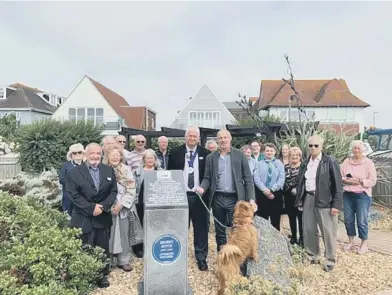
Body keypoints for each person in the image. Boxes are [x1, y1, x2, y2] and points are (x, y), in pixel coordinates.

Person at [65, 143, 118, 287]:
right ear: (85, 155)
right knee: (84, 247)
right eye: (92, 153)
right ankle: (84, 277)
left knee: (102, 248)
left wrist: (104, 207)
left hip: (102, 217)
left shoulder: (108, 170)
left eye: (98, 153)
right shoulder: (74, 173)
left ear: (102, 155)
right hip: (83, 217)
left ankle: (101, 275)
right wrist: (90, 208)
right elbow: (73, 195)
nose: (95, 156)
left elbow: (113, 191)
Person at [196, 129, 257, 253]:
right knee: (220, 231)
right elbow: (207, 178)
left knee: (237, 230)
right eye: (220, 138)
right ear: (217, 140)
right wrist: (202, 188)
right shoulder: (211, 157)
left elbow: (248, 178)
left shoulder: (240, 155)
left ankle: (238, 260)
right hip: (217, 197)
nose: (223, 140)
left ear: (230, 139)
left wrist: (251, 199)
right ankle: (222, 258)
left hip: (235, 199)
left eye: (225, 137)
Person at [295, 135, 343, 272]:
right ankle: (312, 256)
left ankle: (330, 259)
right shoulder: (305, 163)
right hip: (308, 198)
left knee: (328, 231)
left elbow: (338, 186)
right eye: (310, 145)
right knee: (309, 229)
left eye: (316, 145)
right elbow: (301, 183)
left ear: (322, 147)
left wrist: (336, 205)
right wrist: (300, 200)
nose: (313, 148)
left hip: (325, 200)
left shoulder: (330, 162)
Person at [168, 126, 210, 271]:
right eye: (190, 136)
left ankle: (201, 257)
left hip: (199, 196)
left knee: (201, 228)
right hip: (181, 195)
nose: (192, 138)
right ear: (185, 137)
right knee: (179, 227)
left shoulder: (206, 153)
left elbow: (208, 176)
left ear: (198, 138)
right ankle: (178, 255)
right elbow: (170, 174)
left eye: (195, 136)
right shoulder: (175, 152)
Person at [103, 144, 138, 272]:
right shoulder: (103, 169)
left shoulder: (126, 170)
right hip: (108, 207)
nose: (115, 158)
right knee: (109, 234)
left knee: (124, 233)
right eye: (112, 156)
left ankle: (123, 260)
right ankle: (109, 259)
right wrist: (109, 205)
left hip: (123, 207)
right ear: (108, 157)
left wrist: (121, 204)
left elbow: (131, 189)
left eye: (117, 155)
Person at [340, 140, 377, 254]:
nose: (356, 150)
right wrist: (348, 181)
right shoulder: (346, 162)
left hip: (362, 195)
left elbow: (373, 180)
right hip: (348, 195)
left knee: (361, 220)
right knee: (348, 219)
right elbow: (340, 177)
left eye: (358, 148)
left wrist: (361, 182)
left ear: (363, 150)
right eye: (354, 148)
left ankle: (363, 244)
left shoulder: (368, 163)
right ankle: (351, 241)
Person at [132, 149, 161, 258]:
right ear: (144, 159)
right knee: (139, 226)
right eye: (147, 158)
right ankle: (139, 248)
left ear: (155, 159)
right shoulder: (137, 171)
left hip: (156, 204)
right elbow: (133, 187)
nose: (150, 160)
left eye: (151, 158)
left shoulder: (161, 171)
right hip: (140, 203)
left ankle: (153, 246)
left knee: (154, 225)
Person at [253, 143, 285, 231]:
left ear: (275, 152)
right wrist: (265, 190)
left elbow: (281, 178)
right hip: (262, 194)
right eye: (267, 151)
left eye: (271, 151)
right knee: (262, 220)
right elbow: (256, 178)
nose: (269, 152)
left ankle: (276, 241)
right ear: (264, 152)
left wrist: (271, 189)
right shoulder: (259, 164)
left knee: (275, 219)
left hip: (275, 194)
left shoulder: (279, 164)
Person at [283, 147, 303, 245]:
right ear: (289, 157)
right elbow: (284, 180)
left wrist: (297, 189)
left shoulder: (304, 167)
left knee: (301, 218)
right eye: (292, 155)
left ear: (300, 156)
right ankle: (294, 237)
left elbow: (305, 181)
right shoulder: (286, 167)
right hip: (288, 195)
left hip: (300, 196)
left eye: (296, 155)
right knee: (291, 217)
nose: (294, 157)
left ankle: (302, 238)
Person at [59, 143, 84, 216]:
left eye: (79, 152)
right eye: (74, 153)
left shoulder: (87, 165)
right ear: (71, 155)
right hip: (69, 197)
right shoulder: (66, 165)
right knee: (68, 219)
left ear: (83, 153)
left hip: (83, 199)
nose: (77, 154)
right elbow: (61, 179)